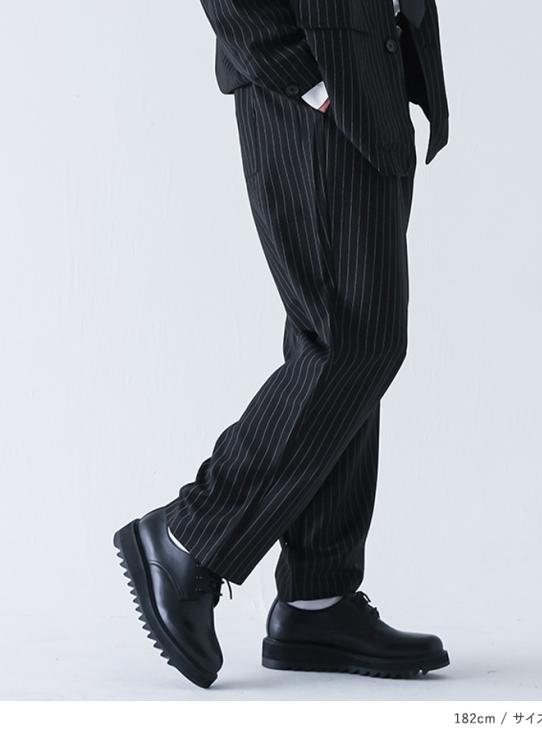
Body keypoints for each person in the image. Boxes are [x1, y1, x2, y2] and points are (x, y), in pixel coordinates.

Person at [114, 0, 450, 688]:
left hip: (370, 70)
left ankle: (317, 601)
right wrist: (304, 76)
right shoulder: (308, 83)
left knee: (348, 343)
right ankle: (188, 536)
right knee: (351, 339)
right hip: (315, 82)